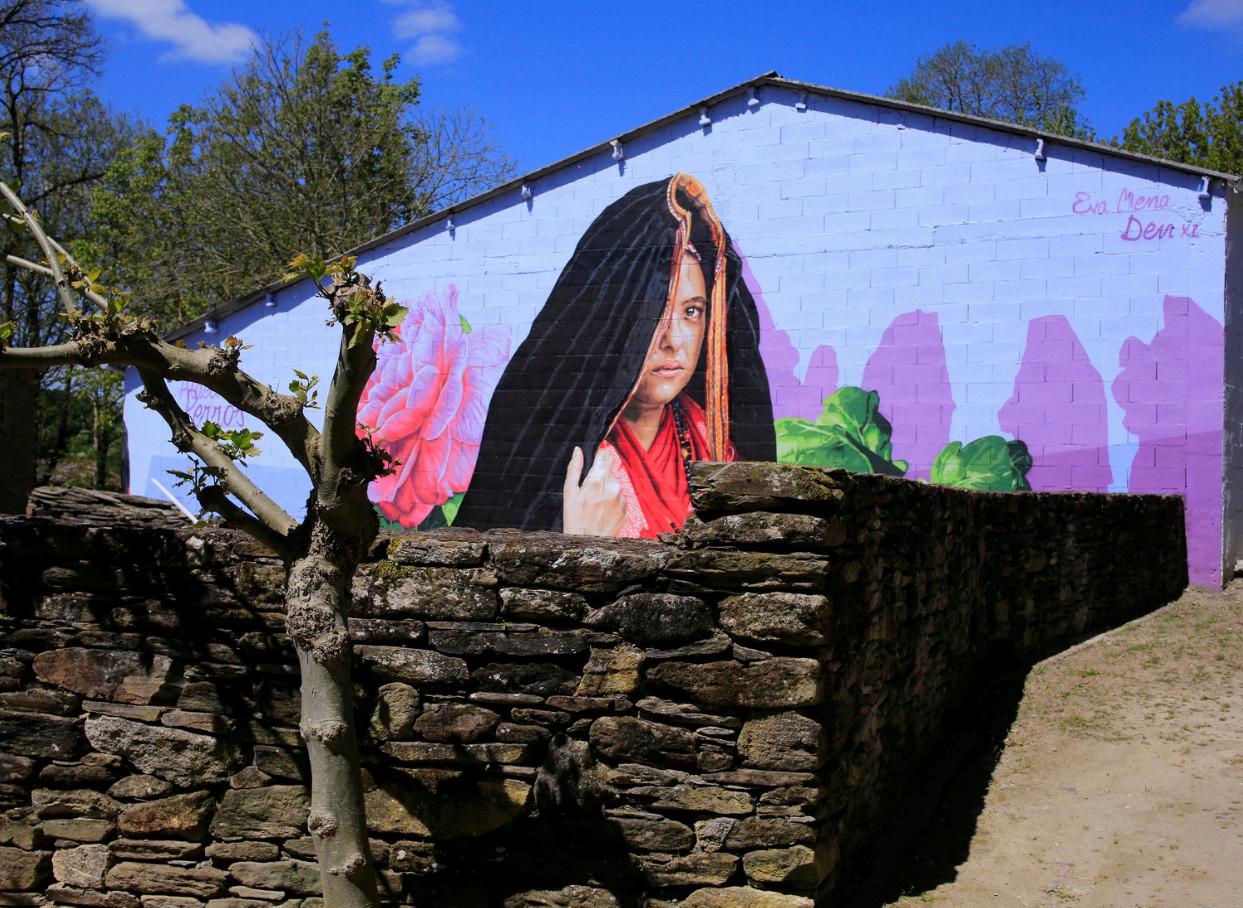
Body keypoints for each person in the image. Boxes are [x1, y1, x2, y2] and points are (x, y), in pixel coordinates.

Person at [454, 173, 775, 537]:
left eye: (691, 311)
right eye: (655, 312)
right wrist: (579, 536)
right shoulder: (566, 449)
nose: (672, 341)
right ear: (616, 318)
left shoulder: (710, 439)